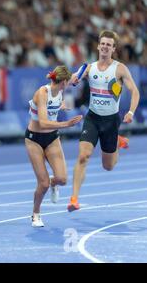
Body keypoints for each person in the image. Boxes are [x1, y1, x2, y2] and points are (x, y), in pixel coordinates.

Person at [68, 30, 140, 212]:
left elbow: (135, 92)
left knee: (108, 166)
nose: (105, 47)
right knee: (83, 156)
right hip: (92, 118)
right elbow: (73, 79)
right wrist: (73, 79)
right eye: (103, 44)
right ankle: (74, 199)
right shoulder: (89, 68)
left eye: (109, 44)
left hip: (111, 121)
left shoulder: (120, 69)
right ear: (98, 46)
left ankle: (116, 141)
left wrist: (131, 112)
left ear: (113, 48)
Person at [25, 66, 82, 227]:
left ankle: (53, 182)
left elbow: (74, 79)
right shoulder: (42, 93)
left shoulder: (60, 90)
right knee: (42, 183)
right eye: (68, 82)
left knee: (62, 179)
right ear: (63, 82)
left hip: (52, 138)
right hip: (34, 139)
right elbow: (42, 123)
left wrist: (60, 106)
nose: (69, 84)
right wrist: (67, 124)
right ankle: (36, 213)